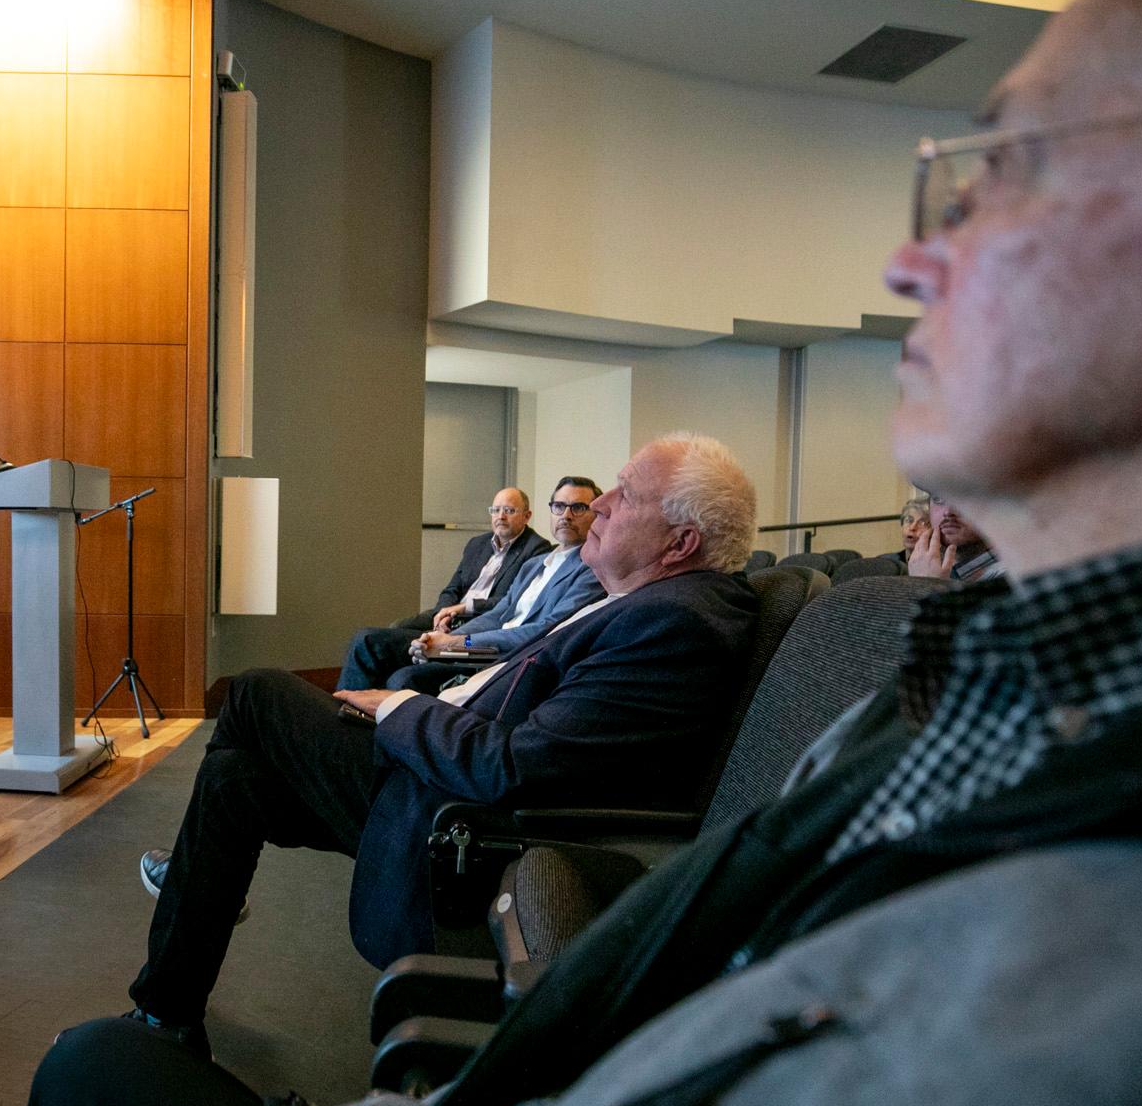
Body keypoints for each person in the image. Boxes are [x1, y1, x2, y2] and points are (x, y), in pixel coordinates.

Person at [26, 0, 1142, 1106]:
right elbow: (618, 1083)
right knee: (100, 1068)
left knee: (95, 1066)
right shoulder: (957, 700)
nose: (911, 257)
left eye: (1009, 168)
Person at [123, 435, 757, 1044]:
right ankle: (165, 1012)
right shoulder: (648, 604)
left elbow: (515, 765)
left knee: (257, 692)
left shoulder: (674, 624)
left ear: (680, 543)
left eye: (627, 494)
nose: (603, 504)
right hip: (437, 772)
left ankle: (174, 934)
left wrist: (401, 706)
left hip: (452, 812)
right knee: (237, 782)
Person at [338, 478, 601, 691]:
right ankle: (349, 725)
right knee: (370, 641)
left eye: (578, 508)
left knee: (403, 678)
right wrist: (446, 639)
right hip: (477, 643)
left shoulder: (591, 567)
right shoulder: (537, 563)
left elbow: (544, 631)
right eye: (559, 506)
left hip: (507, 657)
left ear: (596, 515)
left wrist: (459, 643)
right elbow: (499, 613)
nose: (566, 515)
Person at [397, 487, 551, 633]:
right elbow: (452, 589)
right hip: (452, 614)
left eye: (509, 511)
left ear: (527, 516)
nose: (501, 516)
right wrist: (443, 614)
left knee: (409, 642)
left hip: (484, 621)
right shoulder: (477, 544)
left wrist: (465, 607)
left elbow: (513, 600)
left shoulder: (537, 548)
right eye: (495, 510)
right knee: (397, 628)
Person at [906, 491, 1002, 581]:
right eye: (938, 498)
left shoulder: (1010, 577)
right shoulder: (928, 568)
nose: (947, 512)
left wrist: (927, 585)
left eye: (964, 498)